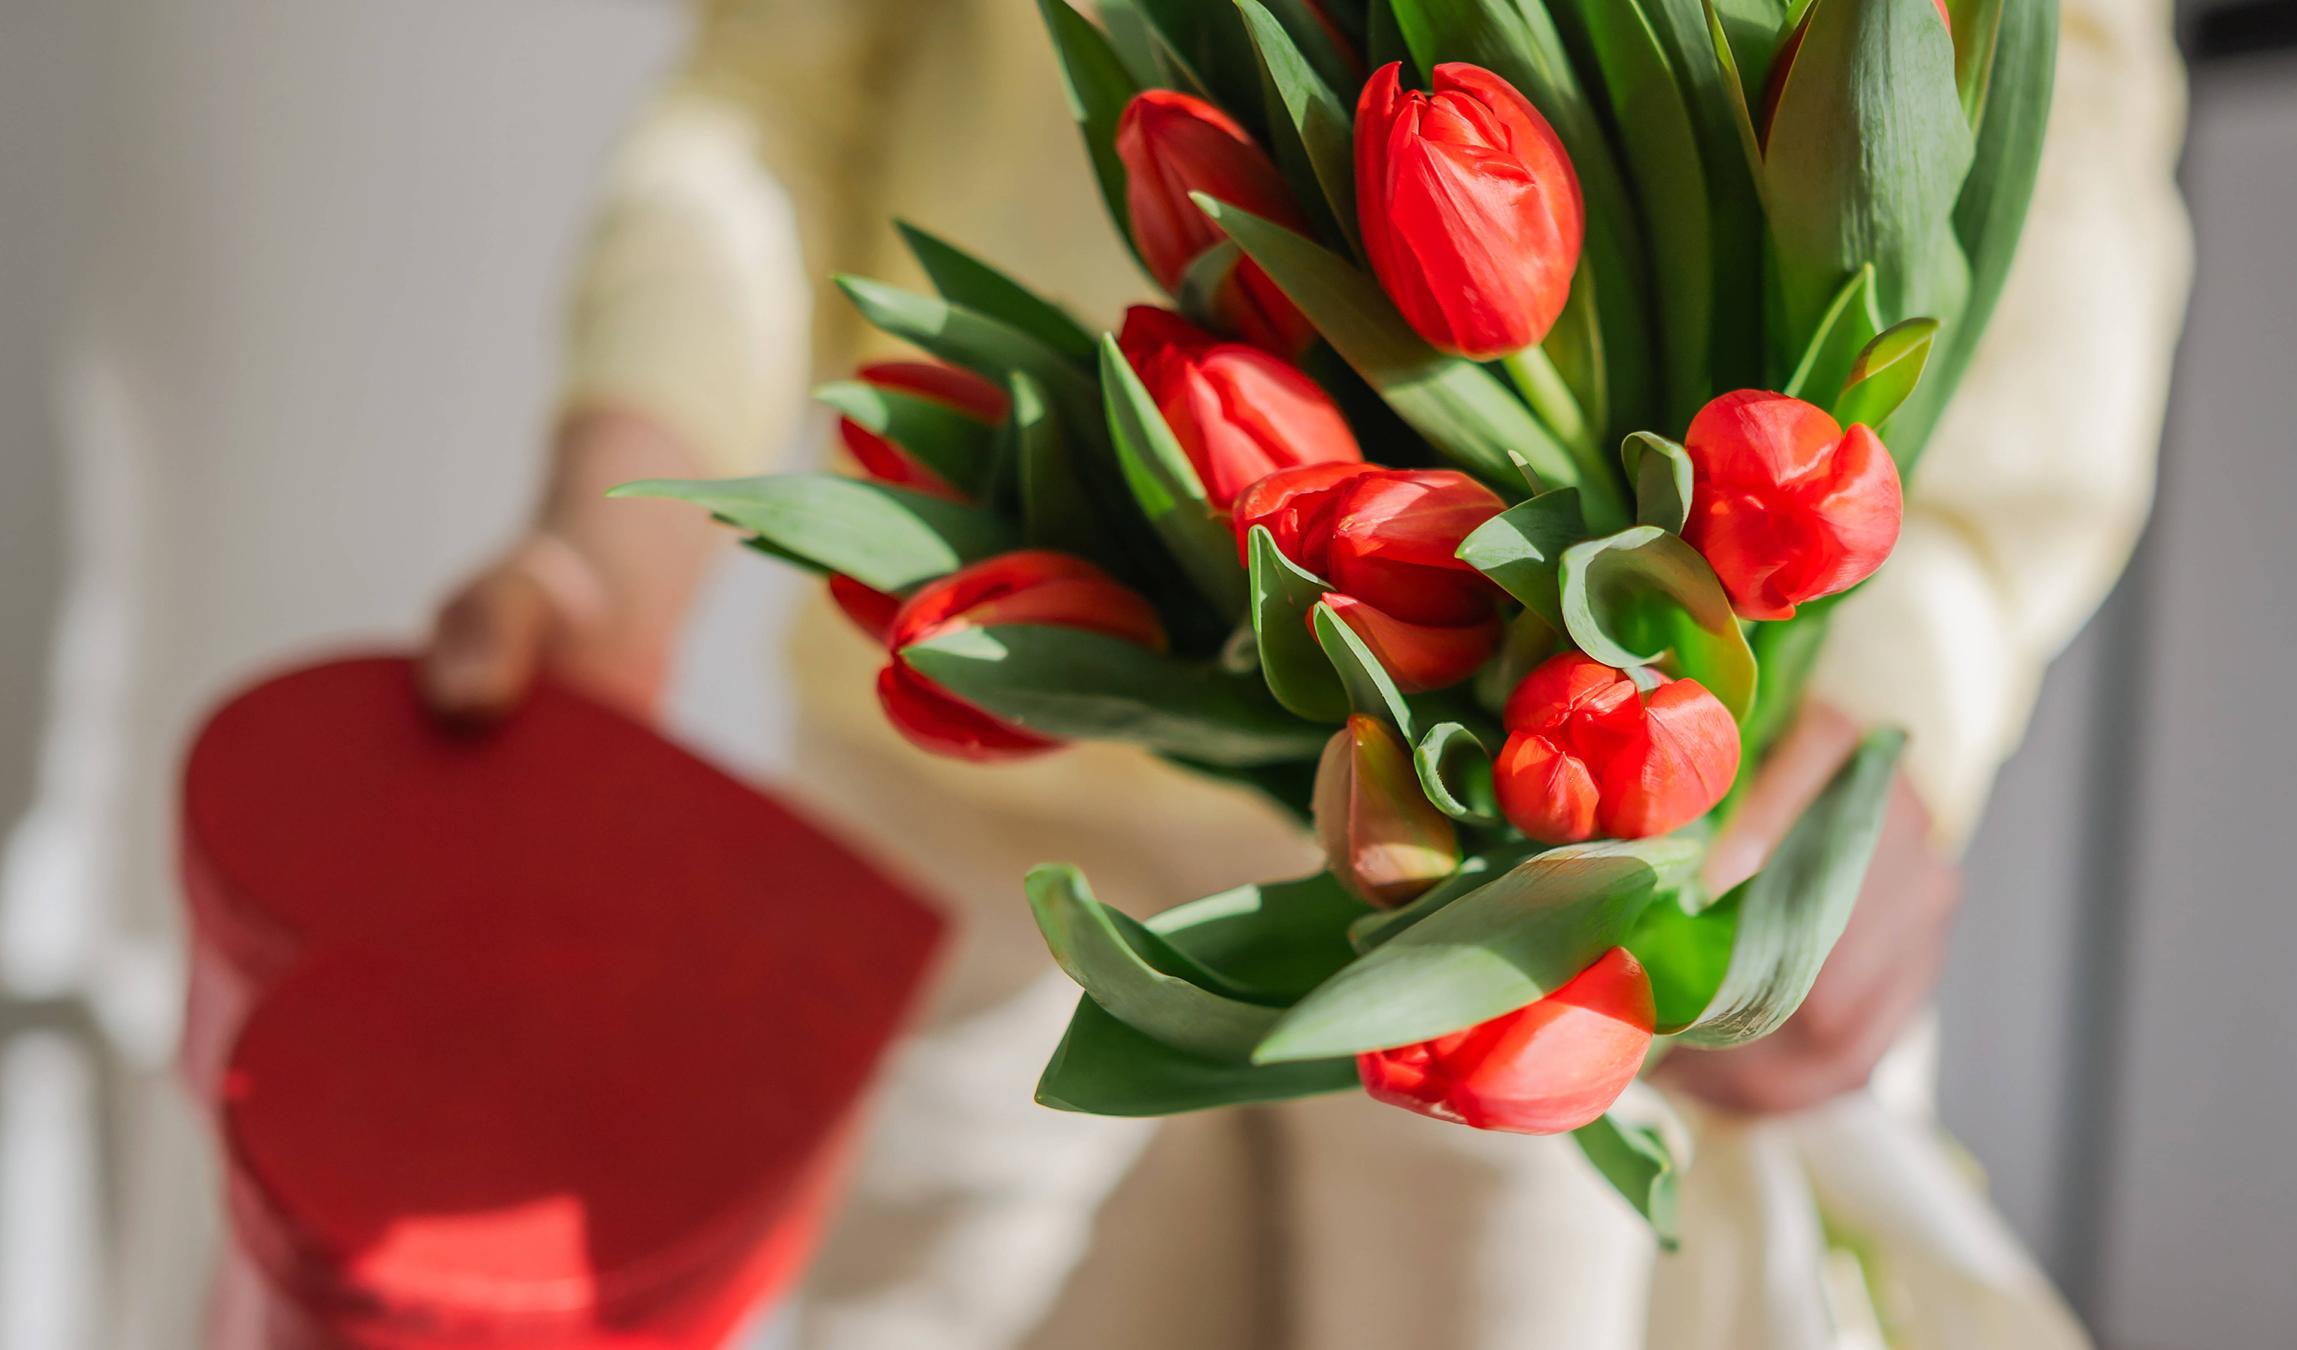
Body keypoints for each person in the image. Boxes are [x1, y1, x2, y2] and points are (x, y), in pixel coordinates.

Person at [420, 1, 2190, 1345]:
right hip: (980, 796)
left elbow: (2064, 161)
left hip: (1558, 871)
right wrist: (615, 540)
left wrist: (1888, 719)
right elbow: (780, 88)